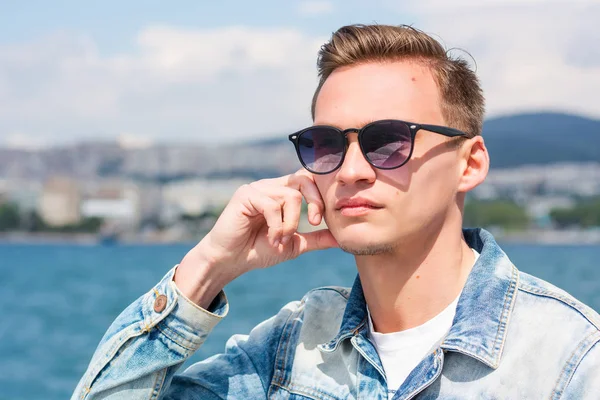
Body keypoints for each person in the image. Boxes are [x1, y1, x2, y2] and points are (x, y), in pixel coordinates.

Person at [72, 24, 600, 400]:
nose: (351, 170)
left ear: (470, 163)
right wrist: (209, 266)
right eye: (326, 144)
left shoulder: (570, 360)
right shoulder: (288, 350)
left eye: (388, 140)